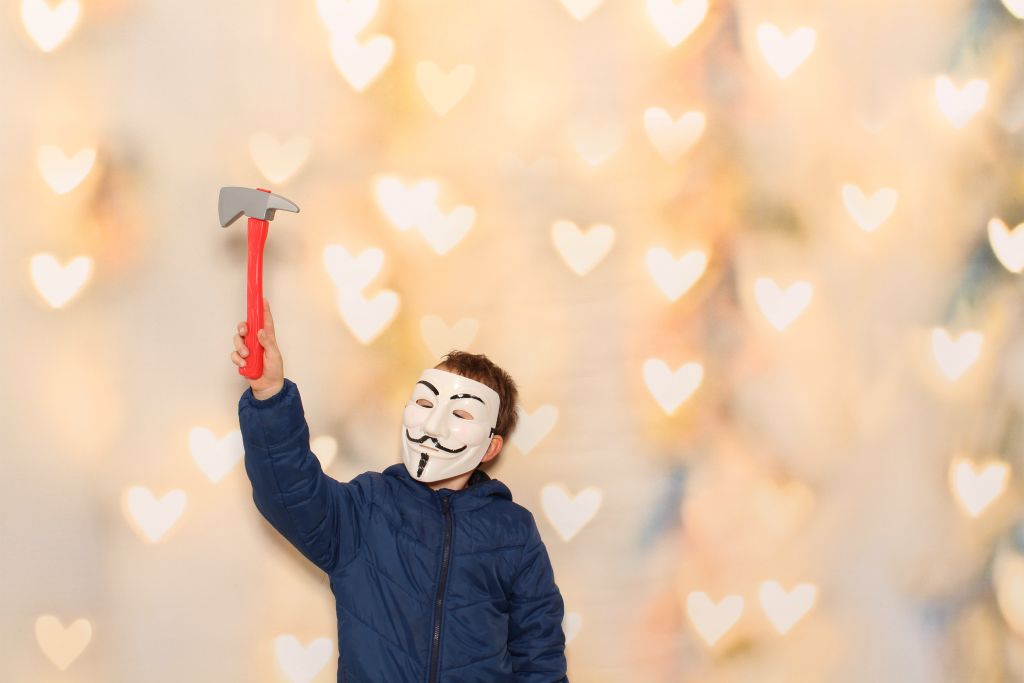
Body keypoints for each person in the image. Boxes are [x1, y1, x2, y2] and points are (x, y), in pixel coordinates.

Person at [231, 298, 569, 682]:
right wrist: (270, 394)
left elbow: (539, 650)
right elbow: (289, 492)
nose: (434, 425)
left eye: (461, 413)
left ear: (491, 447)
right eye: (425, 402)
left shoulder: (513, 531)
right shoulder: (367, 508)